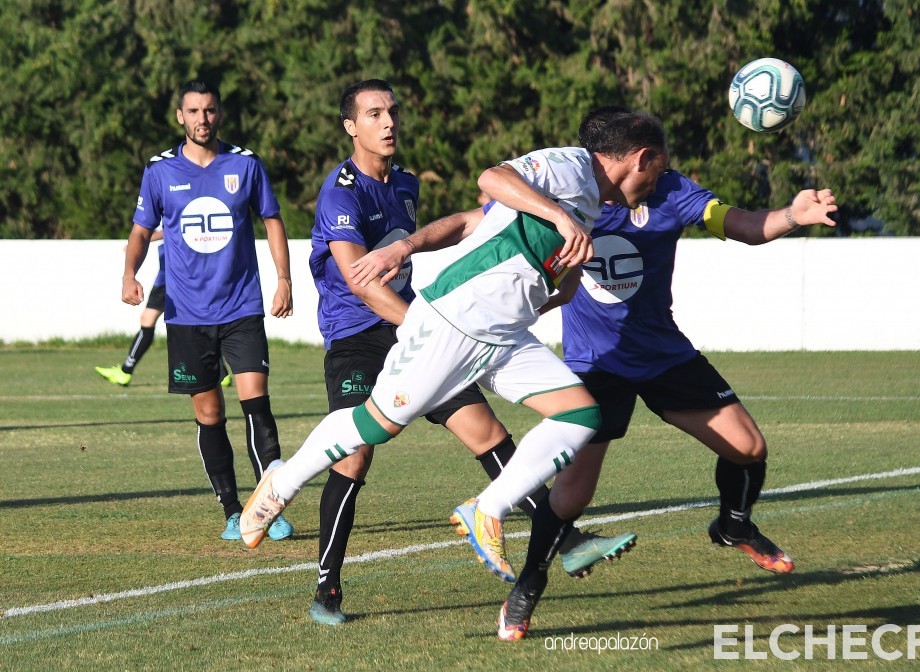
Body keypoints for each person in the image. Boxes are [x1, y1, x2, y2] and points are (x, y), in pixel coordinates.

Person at [239, 112, 668, 608]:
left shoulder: (590, 202)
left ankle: (487, 508)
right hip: (456, 320)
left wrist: (565, 277)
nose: (658, 183)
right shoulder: (572, 166)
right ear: (642, 157)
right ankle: (281, 483)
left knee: (580, 414)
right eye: (660, 169)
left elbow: (524, 238)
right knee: (373, 427)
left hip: (505, 333)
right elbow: (492, 179)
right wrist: (560, 218)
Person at [487, 105, 840, 641]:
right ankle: (526, 589)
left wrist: (792, 215)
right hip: (596, 366)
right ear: (642, 158)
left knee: (748, 448)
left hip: (664, 356)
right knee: (570, 495)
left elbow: (741, 224)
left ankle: (733, 525)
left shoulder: (671, 191)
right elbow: (491, 189)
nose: (662, 173)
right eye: (660, 164)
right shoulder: (567, 190)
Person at [120, 79, 294, 542]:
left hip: (241, 306)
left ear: (220, 114)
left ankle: (267, 505)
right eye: (194, 111)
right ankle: (233, 510)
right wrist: (129, 273)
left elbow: (272, 220)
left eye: (210, 110)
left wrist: (284, 279)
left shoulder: (246, 164)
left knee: (257, 405)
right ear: (180, 116)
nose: (203, 119)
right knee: (210, 413)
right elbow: (141, 231)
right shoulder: (158, 172)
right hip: (186, 314)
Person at [95, 228, 233, 388]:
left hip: (171, 276)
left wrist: (142, 240)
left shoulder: (172, 205)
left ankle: (125, 371)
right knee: (193, 321)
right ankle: (221, 374)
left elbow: (170, 228)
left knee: (154, 319)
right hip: (172, 273)